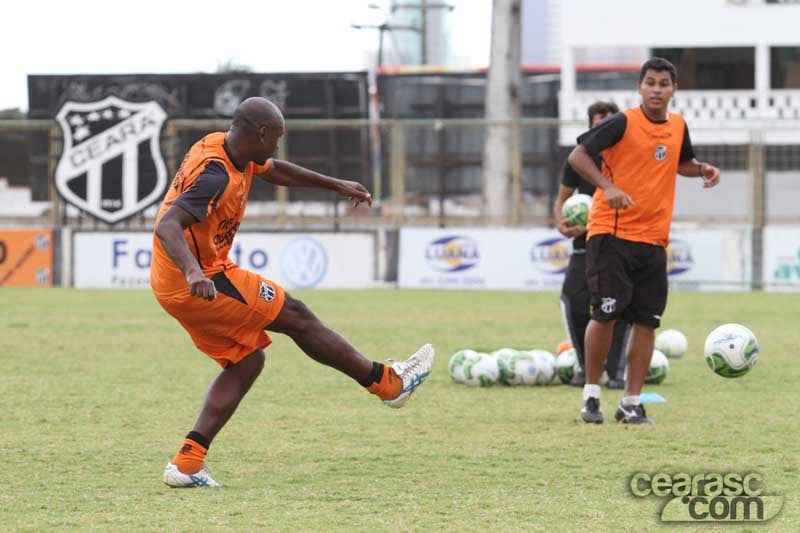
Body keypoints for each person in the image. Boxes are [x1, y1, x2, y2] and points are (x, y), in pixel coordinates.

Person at [151, 97, 435, 487]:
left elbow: (275, 170)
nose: (278, 147)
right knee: (297, 316)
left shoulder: (223, 144)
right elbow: (168, 225)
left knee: (247, 361)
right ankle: (388, 383)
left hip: (175, 281)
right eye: (277, 138)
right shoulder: (216, 175)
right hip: (200, 279)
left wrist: (334, 184)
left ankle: (187, 463)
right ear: (261, 133)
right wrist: (193, 272)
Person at [567, 58, 720, 424]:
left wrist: (700, 169)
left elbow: (679, 162)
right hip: (611, 233)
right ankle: (591, 396)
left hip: (653, 238)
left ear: (673, 90)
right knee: (605, 313)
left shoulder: (678, 126)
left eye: (663, 84)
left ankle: (631, 402)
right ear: (640, 87)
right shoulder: (622, 122)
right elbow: (578, 155)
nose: (656, 89)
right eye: (650, 82)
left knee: (647, 321)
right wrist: (608, 187)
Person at [553, 101, 629, 390]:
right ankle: (585, 367)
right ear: (591, 125)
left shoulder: (628, 156)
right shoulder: (579, 159)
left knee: (620, 305)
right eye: (600, 121)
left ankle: (617, 370)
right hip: (584, 247)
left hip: (618, 242)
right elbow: (561, 199)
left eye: (611, 121)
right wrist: (562, 223)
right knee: (574, 301)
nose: (605, 125)